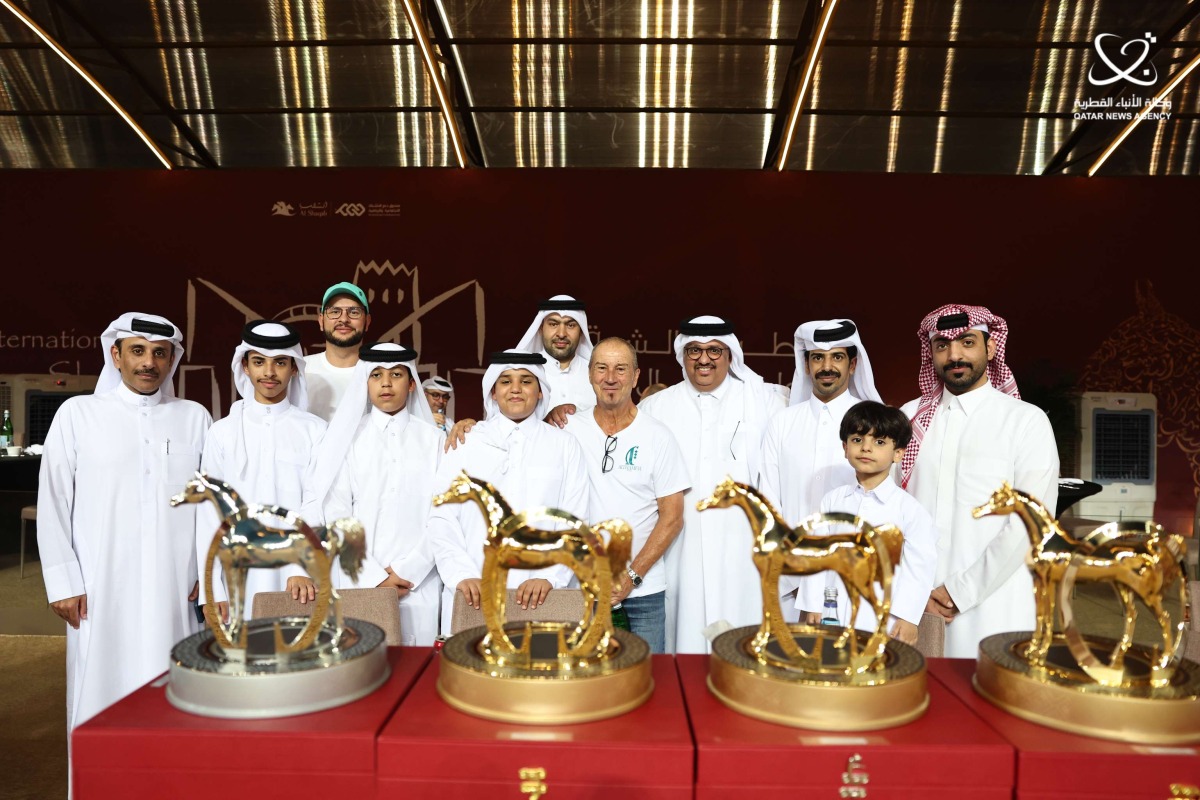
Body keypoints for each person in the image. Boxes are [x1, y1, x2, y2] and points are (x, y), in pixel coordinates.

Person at [37, 313, 211, 733]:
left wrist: (208, 575)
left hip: (176, 587)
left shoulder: (195, 417)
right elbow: (53, 500)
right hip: (99, 587)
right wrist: (63, 582)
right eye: (137, 351)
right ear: (115, 356)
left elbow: (211, 505)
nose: (149, 362)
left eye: (159, 353)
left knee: (175, 696)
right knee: (99, 693)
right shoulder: (78, 414)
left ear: (171, 360)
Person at [900, 304, 1059, 658]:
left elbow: (1029, 522)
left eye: (967, 342)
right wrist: (914, 590)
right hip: (913, 603)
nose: (954, 355)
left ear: (991, 347)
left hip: (995, 606)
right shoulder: (908, 418)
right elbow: (887, 510)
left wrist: (959, 592)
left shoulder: (1025, 421)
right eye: (942, 345)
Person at [637, 315, 787, 653]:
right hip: (680, 545)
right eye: (694, 350)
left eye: (714, 350)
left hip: (743, 546)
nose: (704, 359)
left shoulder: (765, 402)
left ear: (730, 354)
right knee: (684, 635)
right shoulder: (655, 407)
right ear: (682, 354)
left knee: (743, 639)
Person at [428, 350, 590, 634]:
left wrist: (551, 577)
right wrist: (462, 574)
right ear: (493, 392)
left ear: (540, 391)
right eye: (505, 381)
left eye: (526, 381)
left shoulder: (564, 445)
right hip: (473, 593)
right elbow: (442, 516)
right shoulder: (467, 441)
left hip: (543, 595)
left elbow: (575, 519)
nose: (515, 389)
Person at [305, 342, 443, 646]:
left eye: (396, 375)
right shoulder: (346, 439)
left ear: (411, 384)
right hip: (359, 578)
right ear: (364, 383)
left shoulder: (434, 440)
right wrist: (374, 576)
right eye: (376, 375)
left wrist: (409, 569)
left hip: (420, 581)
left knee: (419, 663)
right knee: (362, 661)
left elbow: (444, 512)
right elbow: (336, 512)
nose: (386, 383)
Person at [562, 337, 689, 653]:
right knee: (582, 680)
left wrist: (632, 576)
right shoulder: (566, 429)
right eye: (601, 368)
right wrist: (468, 426)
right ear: (590, 374)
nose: (610, 378)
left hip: (642, 595)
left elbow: (672, 517)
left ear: (635, 377)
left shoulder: (658, 436)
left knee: (644, 678)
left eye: (620, 369)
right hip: (579, 592)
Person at [196, 320, 325, 621]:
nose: (269, 372)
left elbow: (317, 503)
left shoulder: (315, 430)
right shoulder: (222, 432)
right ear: (245, 366)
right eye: (258, 362)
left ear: (294, 368)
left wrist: (300, 567)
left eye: (280, 362)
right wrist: (211, 589)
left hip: (299, 580)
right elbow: (210, 514)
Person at [759, 319, 881, 623]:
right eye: (818, 357)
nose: (827, 367)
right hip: (788, 578)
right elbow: (768, 499)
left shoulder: (873, 425)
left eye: (837, 357)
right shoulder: (782, 423)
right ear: (806, 365)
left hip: (851, 579)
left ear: (853, 365)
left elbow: (880, 502)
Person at [808, 401, 937, 645]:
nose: (866, 448)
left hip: (883, 620)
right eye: (857, 440)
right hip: (833, 613)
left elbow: (919, 568)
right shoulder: (832, 500)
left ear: (898, 453)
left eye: (879, 442)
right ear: (845, 447)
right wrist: (813, 604)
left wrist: (908, 618)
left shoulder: (910, 510)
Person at [515, 294, 595, 425]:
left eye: (570, 325)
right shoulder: (523, 373)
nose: (561, 334)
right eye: (553, 324)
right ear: (541, 328)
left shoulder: (600, 375)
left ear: (581, 331)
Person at [305, 281, 371, 421]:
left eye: (354, 312)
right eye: (335, 312)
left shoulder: (380, 375)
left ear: (367, 321)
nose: (344, 319)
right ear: (321, 321)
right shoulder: (299, 370)